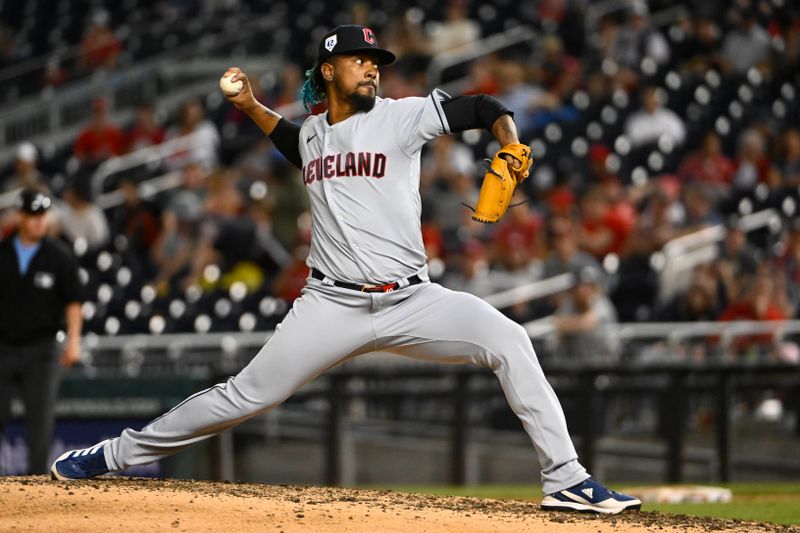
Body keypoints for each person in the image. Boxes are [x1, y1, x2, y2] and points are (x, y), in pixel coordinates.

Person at [51, 25, 640, 515]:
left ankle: (565, 479)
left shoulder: (402, 117)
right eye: (358, 60)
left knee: (510, 340)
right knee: (243, 396)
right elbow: (290, 137)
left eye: (375, 60)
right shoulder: (312, 135)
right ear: (328, 71)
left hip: (414, 299)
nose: (371, 68)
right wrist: (250, 105)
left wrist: (509, 140)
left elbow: (483, 108)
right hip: (330, 305)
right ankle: (114, 455)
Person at [0, 189, 83, 474]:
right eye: (32, 215)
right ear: (20, 216)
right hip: (4, 347)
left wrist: (74, 342)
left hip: (42, 348)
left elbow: (74, 302)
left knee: (40, 420)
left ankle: (36, 487)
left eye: (42, 216)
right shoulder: (3, 252)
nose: (38, 222)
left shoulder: (59, 256)